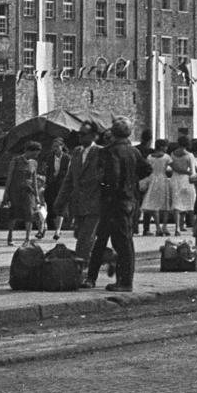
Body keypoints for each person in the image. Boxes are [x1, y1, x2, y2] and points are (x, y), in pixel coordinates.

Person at [86, 118, 144, 292]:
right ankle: (113, 279)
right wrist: (131, 182)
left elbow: (113, 177)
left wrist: (108, 188)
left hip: (114, 202)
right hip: (130, 200)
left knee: (110, 241)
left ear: (113, 132)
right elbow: (146, 169)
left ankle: (124, 282)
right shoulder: (134, 151)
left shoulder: (111, 152)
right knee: (124, 241)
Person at [59, 123, 104, 266]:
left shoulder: (101, 152)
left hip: (94, 203)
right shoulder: (77, 152)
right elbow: (69, 179)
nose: (80, 136)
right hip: (78, 203)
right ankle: (108, 257)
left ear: (94, 136)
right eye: (79, 134)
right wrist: (60, 201)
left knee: (84, 239)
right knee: (80, 236)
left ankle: (81, 271)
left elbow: (104, 177)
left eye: (84, 134)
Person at [3, 141, 45, 245]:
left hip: (28, 191)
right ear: (28, 151)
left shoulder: (34, 163)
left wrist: (37, 196)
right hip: (15, 190)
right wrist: (6, 192)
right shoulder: (16, 160)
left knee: (29, 214)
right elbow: (10, 176)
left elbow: (34, 180)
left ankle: (27, 238)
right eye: (34, 153)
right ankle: (10, 235)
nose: (35, 155)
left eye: (36, 154)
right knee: (14, 213)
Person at [140, 140, 174, 237]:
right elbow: (173, 167)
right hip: (162, 179)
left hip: (152, 179)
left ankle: (158, 227)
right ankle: (164, 227)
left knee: (154, 204)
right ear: (163, 147)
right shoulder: (167, 157)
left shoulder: (150, 157)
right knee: (165, 203)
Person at [168, 136, 197, 235]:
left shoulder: (172, 154)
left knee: (177, 203)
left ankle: (177, 227)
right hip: (186, 180)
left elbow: (172, 167)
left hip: (175, 179)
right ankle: (194, 227)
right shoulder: (189, 155)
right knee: (190, 203)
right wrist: (193, 178)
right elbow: (192, 170)